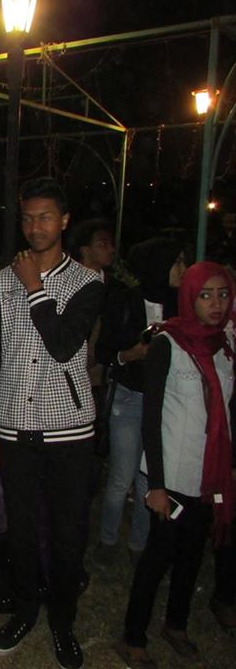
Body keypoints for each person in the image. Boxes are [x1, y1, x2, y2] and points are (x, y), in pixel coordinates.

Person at [0, 177, 104, 669]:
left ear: (64, 221)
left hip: (69, 430)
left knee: (69, 533)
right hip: (13, 426)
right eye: (28, 218)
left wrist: (34, 286)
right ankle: (26, 609)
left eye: (45, 217)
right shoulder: (0, 282)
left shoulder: (88, 283)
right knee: (22, 529)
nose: (35, 227)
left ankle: (63, 620)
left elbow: (64, 344)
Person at [115, 262, 235, 667]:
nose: (215, 304)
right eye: (205, 295)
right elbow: (151, 417)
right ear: (189, 297)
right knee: (158, 556)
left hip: (209, 473)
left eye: (222, 294)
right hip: (172, 472)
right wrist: (157, 485)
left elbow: (228, 412)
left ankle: (176, 625)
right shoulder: (169, 343)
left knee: (192, 555)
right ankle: (133, 635)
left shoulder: (224, 346)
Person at [93, 237, 188, 568]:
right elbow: (104, 352)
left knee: (150, 478)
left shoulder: (182, 305)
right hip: (130, 397)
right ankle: (107, 539)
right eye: (177, 261)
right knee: (122, 476)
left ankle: (139, 542)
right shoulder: (126, 301)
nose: (183, 269)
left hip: (166, 403)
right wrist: (131, 354)